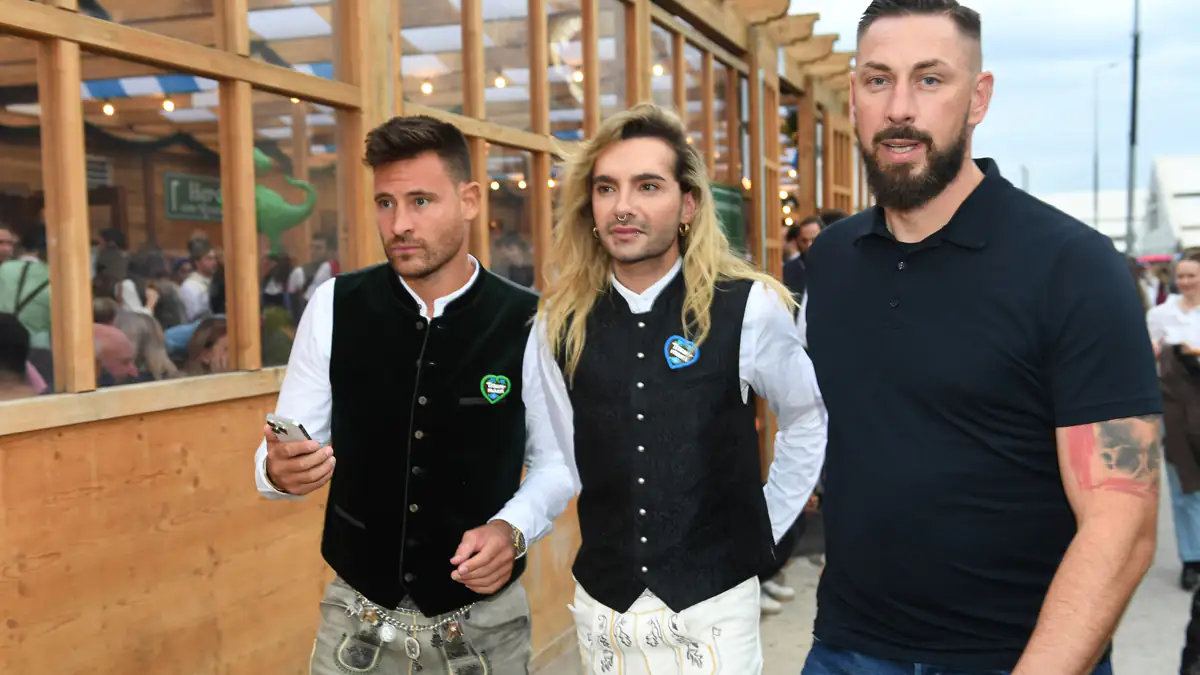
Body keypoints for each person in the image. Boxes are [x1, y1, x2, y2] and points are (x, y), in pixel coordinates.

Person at [802, 2, 1161, 674]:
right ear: (853, 96)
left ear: (978, 98)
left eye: (930, 79)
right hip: (845, 649)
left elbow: (1123, 519)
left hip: (1017, 655)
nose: (899, 108)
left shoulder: (1074, 266)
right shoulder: (831, 259)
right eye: (878, 80)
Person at [252, 114, 575, 674]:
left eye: (420, 201)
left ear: (469, 200)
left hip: (483, 631)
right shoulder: (334, 306)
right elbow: (285, 446)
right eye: (385, 203)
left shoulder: (530, 321)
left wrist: (512, 529)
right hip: (355, 622)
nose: (399, 223)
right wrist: (276, 471)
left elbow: (558, 462)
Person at [533, 102, 826, 673]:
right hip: (604, 612)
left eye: (647, 186)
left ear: (688, 203)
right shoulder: (558, 322)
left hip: (715, 612)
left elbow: (806, 417)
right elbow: (560, 455)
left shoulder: (749, 306)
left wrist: (766, 523)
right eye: (606, 188)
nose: (623, 206)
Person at [1147, 253, 1200, 591]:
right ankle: (1192, 558)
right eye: (1181, 276)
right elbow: (1148, 354)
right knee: (1183, 483)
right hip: (1176, 406)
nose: (1185, 282)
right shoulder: (1160, 315)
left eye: (1192, 276)